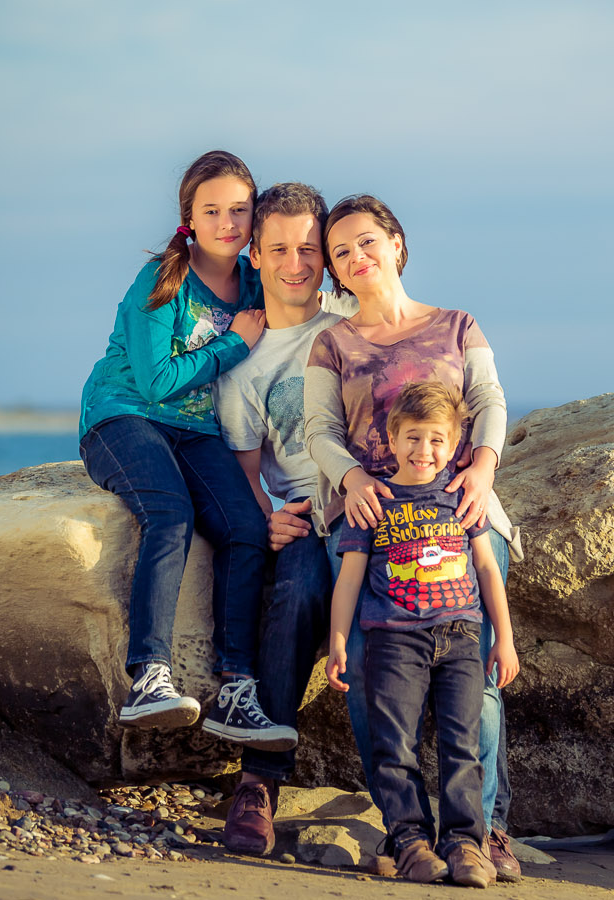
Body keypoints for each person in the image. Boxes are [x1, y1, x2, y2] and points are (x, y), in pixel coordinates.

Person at [302, 193, 525, 880]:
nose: (355, 257)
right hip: (372, 528)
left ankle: (483, 832)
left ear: (396, 243)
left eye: (366, 242)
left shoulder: (457, 325)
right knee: (370, 679)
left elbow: (489, 402)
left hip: (462, 519)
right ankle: (407, 835)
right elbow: (320, 433)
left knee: (479, 679)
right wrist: (350, 481)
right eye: (340, 252)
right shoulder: (331, 343)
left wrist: (484, 468)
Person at [77, 150, 294, 751]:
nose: (228, 223)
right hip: (123, 419)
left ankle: (237, 693)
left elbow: (305, 307)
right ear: (189, 219)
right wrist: (235, 343)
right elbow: (158, 382)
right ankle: (149, 679)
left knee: (247, 526)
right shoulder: (162, 280)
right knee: (170, 513)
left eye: (240, 211)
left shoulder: (254, 281)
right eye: (213, 211)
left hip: (197, 431)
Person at [211, 181, 357, 855]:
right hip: (310, 515)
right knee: (293, 590)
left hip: (386, 508)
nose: (296, 263)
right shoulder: (244, 364)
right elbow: (245, 472)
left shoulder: (352, 316)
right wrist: (265, 516)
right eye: (280, 249)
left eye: (308, 248)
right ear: (257, 255)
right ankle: (258, 783)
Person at [326, 382, 519, 887]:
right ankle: (410, 842)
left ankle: (465, 845)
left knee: (463, 743)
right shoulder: (373, 502)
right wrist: (340, 641)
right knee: (396, 745)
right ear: (391, 439)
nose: (424, 451)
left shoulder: (460, 497)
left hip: (460, 638)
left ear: (454, 446)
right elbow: (349, 578)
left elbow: (487, 569)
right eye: (412, 437)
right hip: (394, 640)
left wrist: (505, 638)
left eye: (437, 440)